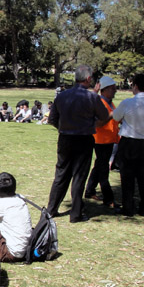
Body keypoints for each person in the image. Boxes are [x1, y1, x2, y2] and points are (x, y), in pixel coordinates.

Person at [47, 65, 110, 223]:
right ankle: (75, 213)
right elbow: (104, 116)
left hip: (65, 138)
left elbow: (52, 119)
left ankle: (51, 209)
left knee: (61, 174)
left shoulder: (62, 96)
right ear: (88, 79)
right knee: (79, 177)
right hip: (83, 139)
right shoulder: (92, 97)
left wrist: (63, 128)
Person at [113, 73, 144, 216]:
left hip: (129, 142)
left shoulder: (128, 102)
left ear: (135, 86)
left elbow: (116, 117)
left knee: (127, 177)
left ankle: (128, 207)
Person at [85, 76, 120, 208]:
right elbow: (97, 123)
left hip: (109, 139)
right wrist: (111, 115)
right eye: (112, 88)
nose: (115, 90)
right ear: (104, 90)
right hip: (101, 140)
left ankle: (89, 191)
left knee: (99, 165)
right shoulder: (99, 103)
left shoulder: (110, 103)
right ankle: (108, 198)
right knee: (103, 169)